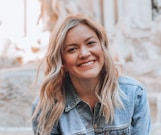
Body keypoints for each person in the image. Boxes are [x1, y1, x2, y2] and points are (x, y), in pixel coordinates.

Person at [32, 14, 151, 135]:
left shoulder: (134, 94)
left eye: (90, 43)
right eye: (72, 49)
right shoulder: (46, 108)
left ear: (102, 48)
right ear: (62, 61)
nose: (84, 53)